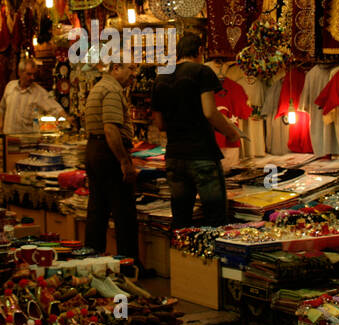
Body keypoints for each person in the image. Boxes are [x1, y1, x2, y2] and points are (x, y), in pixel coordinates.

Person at [151, 32, 240, 227]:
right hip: (201, 154)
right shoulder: (202, 72)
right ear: (200, 50)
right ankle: (211, 257)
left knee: (181, 218)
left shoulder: (161, 77)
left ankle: (178, 257)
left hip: (174, 156)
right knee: (215, 218)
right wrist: (231, 133)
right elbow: (210, 111)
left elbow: (160, 124)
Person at [83, 61, 138, 259]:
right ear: (116, 68)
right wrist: (124, 161)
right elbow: (110, 129)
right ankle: (128, 264)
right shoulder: (112, 91)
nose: (134, 74)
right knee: (124, 212)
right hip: (109, 153)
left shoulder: (100, 87)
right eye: (130, 68)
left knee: (98, 210)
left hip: (96, 150)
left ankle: (92, 259)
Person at [0, 58, 65, 134]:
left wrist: (67, 118)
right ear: (20, 73)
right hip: (8, 138)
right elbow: (2, 108)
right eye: (29, 74)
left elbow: (56, 109)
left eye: (34, 74)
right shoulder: (10, 86)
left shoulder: (39, 92)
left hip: (27, 141)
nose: (32, 77)